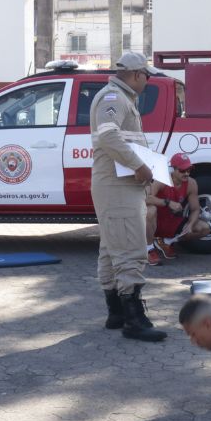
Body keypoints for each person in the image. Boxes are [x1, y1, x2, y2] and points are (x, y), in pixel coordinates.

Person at [90, 52, 166, 342]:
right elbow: (109, 137)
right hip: (118, 187)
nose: (147, 81)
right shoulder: (114, 98)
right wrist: (140, 166)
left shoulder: (120, 98)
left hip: (117, 186)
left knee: (111, 249)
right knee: (131, 250)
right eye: (146, 76)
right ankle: (134, 320)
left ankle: (117, 313)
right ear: (136, 74)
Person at [144, 153, 211, 265]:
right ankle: (149, 249)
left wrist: (190, 224)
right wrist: (168, 202)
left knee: (204, 228)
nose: (186, 173)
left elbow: (195, 209)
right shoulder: (161, 180)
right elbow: (146, 199)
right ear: (173, 169)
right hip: (155, 222)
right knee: (150, 211)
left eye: (189, 169)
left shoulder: (191, 183)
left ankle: (167, 242)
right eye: (182, 170)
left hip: (172, 221)